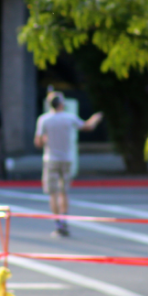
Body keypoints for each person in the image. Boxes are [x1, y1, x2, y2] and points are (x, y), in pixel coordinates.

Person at [33, 91, 103, 237]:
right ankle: (64, 220)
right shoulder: (69, 118)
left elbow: (38, 142)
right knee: (64, 191)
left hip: (50, 159)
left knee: (52, 193)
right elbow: (88, 126)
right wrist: (95, 119)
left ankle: (57, 222)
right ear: (61, 104)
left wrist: (46, 139)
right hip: (66, 158)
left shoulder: (44, 119)